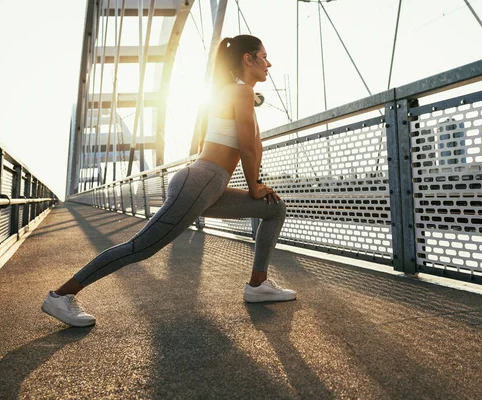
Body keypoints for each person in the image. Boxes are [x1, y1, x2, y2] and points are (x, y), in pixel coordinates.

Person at [42, 34, 296, 328]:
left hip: (208, 185)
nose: (269, 63)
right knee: (141, 247)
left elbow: (249, 145)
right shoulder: (238, 93)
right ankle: (61, 295)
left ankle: (258, 284)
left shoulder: (235, 93)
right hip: (201, 182)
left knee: (274, 209)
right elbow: (247, 147)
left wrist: (256, 187)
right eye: (264, 56)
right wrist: (254, 186)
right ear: (247, 59)